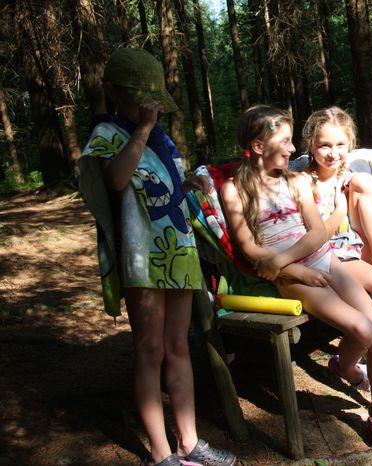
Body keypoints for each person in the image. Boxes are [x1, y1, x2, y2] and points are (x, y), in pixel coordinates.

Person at [219, 105, 372, 455]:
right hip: (293, 280)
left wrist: (282, 259)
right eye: (285, 142)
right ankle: (352, 374)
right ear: (258, 146)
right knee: (364, 329)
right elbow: (248, 248)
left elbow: (319, 232)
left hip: (323, 260)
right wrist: (294, 271)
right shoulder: (235, 189)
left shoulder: (295, 181)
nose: (293, 149)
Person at [77, 48, 235, 466]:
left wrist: (190, 181)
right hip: (141, 256)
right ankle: (160, 452)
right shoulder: (107, 132)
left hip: (178, 250)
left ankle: (189, 441)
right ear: (113, 92)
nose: (150, 110)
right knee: (150, 349)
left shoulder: (162, 137)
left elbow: (161, 185)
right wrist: (143, 129)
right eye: (140, 101)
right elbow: (117, 179)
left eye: (154, 103)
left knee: (178, 345)